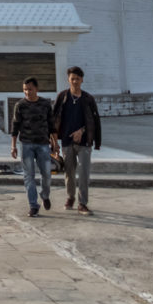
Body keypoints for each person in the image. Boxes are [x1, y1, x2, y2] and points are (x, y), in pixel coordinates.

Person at [50, 66, 101, 214]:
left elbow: (94, 121)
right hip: (66, 141)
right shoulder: (62, 97)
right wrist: (53, 141)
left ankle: (82, 203)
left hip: (84, 142)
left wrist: (83, 131)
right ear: (68, 79)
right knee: (69, 172)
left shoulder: (88, 99)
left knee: (84, 172)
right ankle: (70, 197)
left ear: (82, 80)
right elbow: (54, 119)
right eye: (72, 79)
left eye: (78, 79)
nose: (75, 81)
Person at [10, 76, 57, 217]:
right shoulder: (20, 105)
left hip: (43, 143)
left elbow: (51, 125)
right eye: (25, 90)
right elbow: (15, 126)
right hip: (26, 144)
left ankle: (45, 195)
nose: (27, 92)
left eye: (30, 89)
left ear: (36, 88)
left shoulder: (45, 104)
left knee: (47, 174)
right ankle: (33, 205)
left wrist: (55, 143)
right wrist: (13, 146)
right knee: (29, 176)